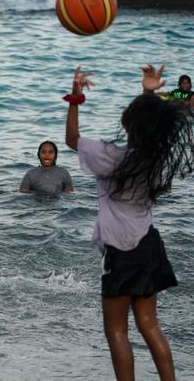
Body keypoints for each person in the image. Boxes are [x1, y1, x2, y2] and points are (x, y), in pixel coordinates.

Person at [66, 64, 190, 381]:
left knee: (117, 331)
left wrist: (75, 99)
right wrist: (148, 91)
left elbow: (71, 139)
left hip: (121, 253)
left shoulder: (111, 158)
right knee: (149, 325)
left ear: (129, 124)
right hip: (149, 245)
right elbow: (149, 123)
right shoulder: (156, 159)